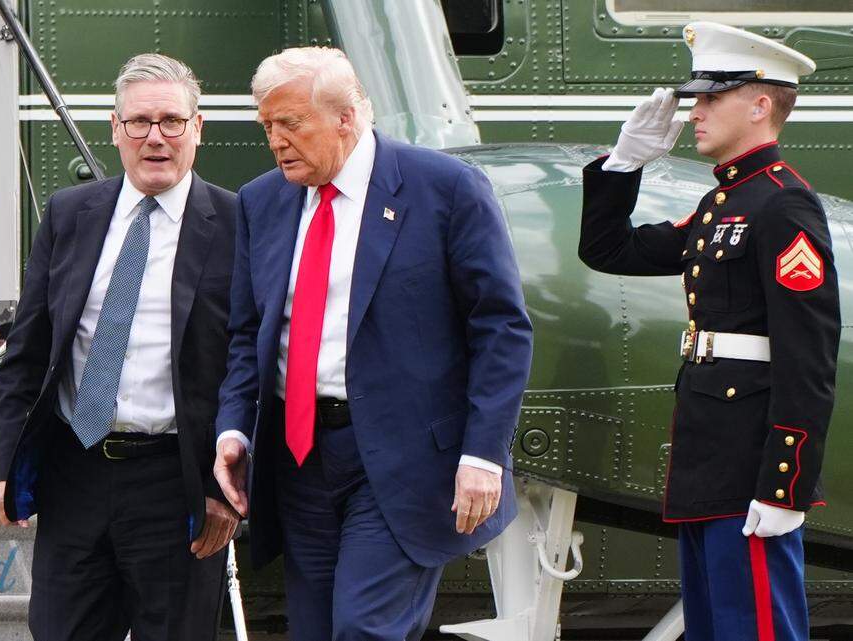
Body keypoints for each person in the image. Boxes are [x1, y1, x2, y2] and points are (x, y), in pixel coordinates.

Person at [212, 47, 533, 641]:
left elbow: (501, 328)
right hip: (298, 457)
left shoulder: (446, 189)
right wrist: (234, 428)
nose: (276, 141)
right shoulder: (262, 201)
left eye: (291, 124)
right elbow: (248, 335)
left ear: (346, 116)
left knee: (364, 630)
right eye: (268, 126)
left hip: (403, 462)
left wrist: (485, 454)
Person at [578, 22, 838, 641]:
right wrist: (625, 163)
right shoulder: (725, 205)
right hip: (709, 455)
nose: (695, 111)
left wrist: (786, 484)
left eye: (711, 97)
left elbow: (808, 356)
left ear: (760, 103)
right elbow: (608, 248)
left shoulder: (783, 205)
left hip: (751, 464)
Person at [0, 53, 239, 641]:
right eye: (139, 122)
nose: (156, 137)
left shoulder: (235, 224)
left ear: (197, 128)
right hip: (75, 476)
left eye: (172, 121)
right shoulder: (70, 214)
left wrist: (225, 488)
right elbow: (28, 352)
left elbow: (246, 368)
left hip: (176, 483)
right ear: (114, 128)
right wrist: (3, 466)